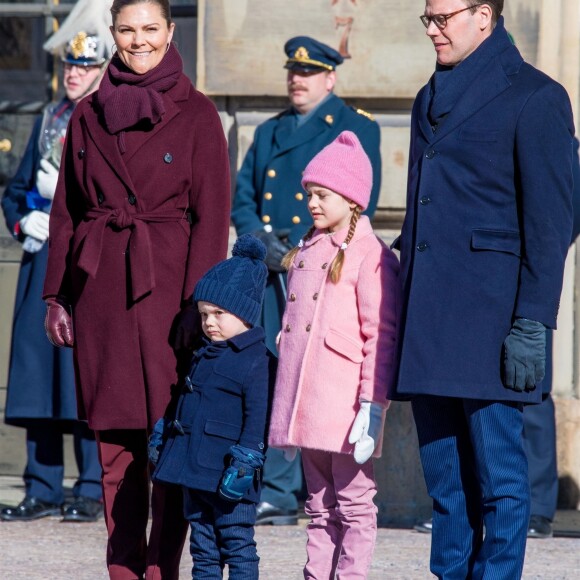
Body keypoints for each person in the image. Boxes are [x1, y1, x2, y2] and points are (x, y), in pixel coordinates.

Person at [42, 0, 231, 578]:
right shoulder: (86, 114)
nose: (139, 41)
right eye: (127, 30)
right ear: (114, 34)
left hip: (169, 295)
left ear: (171, 32)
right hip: (101, 294)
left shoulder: (197, 114)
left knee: (166, 442)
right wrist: (57, 295)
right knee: (115, 448)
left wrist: (200, 304)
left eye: (151, 29)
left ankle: (160, 568)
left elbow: (213, 215)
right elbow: (67, 212)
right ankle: (123, 568)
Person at [392, 1, 574, 577]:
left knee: (500, 485)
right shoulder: (428, 96)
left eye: (444, 17)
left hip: (493, 325)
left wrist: (533, 321)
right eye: (427, 18)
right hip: (428, 321)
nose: (433, 29)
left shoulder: (537, 96)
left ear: (485, 16)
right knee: (446, 489)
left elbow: (552, 224)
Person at [231, 34, 382, 526]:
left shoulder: (356, 127)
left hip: (325, 269)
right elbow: (244, 198)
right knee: (277, 370)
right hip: (274, 271)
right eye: (293, 72)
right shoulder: (270, 131)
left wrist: (301, 248)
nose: (298, 80)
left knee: (318, 375)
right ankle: (275, 485)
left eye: (310, 73)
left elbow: (360, 203)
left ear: (330, 77)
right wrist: (260, 240)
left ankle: (311, 488)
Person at [269, 131, 399, 578]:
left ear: (351, 197)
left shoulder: (370, 254)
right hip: (308, 410)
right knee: (319, 507)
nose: (313, 203)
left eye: (323, 194)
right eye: (309, 194)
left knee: (355, 505)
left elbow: (380, 335)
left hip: (345, 408)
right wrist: (286, 413)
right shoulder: (308, 248)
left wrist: (372, 405)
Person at [0, 31, 109, 523]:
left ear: (102, 70)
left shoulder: (108, 120)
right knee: (36, 372)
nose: (74, 73)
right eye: (70, 65)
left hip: (86, 262)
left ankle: (90, 486)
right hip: (42, 257)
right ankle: (41, 486)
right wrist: (23, 220)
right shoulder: (49, 119)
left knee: (82, 375)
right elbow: (17, 189)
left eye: (84, 66)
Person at [152, 234, 277, 579]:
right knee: (203, 549)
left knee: (237, 545)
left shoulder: (259, 361)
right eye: (204, 313)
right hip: (194, 470)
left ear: (245, 313)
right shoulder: (202, 353)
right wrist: (166, 433)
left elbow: (258, 417)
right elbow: (184, 401)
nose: (209, 322)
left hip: (229, 475)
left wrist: (247, 460)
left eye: (219, 313)